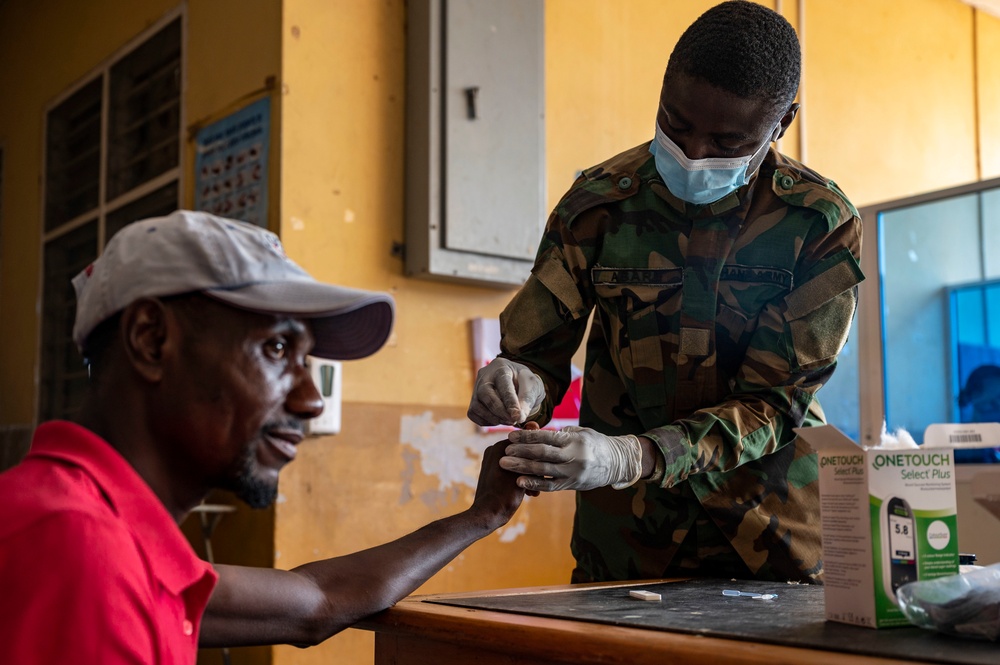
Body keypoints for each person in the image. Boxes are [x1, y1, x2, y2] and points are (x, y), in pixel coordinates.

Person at [0, 210, 524, 663]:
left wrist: (482, 516)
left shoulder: (114, 536)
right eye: (276, 350)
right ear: (151, 339)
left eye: (306, 361)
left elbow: (319, 601)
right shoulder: (74, 548)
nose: (310, 399)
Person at [468, 0, 863, 585]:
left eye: (727, 140)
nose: (693, 152)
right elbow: (537, 353)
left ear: (781, 124)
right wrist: (515, 380)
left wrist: (632, 456)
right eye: (675, 125)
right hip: (626, 540)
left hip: (770, 536)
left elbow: (776, 403)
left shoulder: (817, 224)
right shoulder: (598, 205)